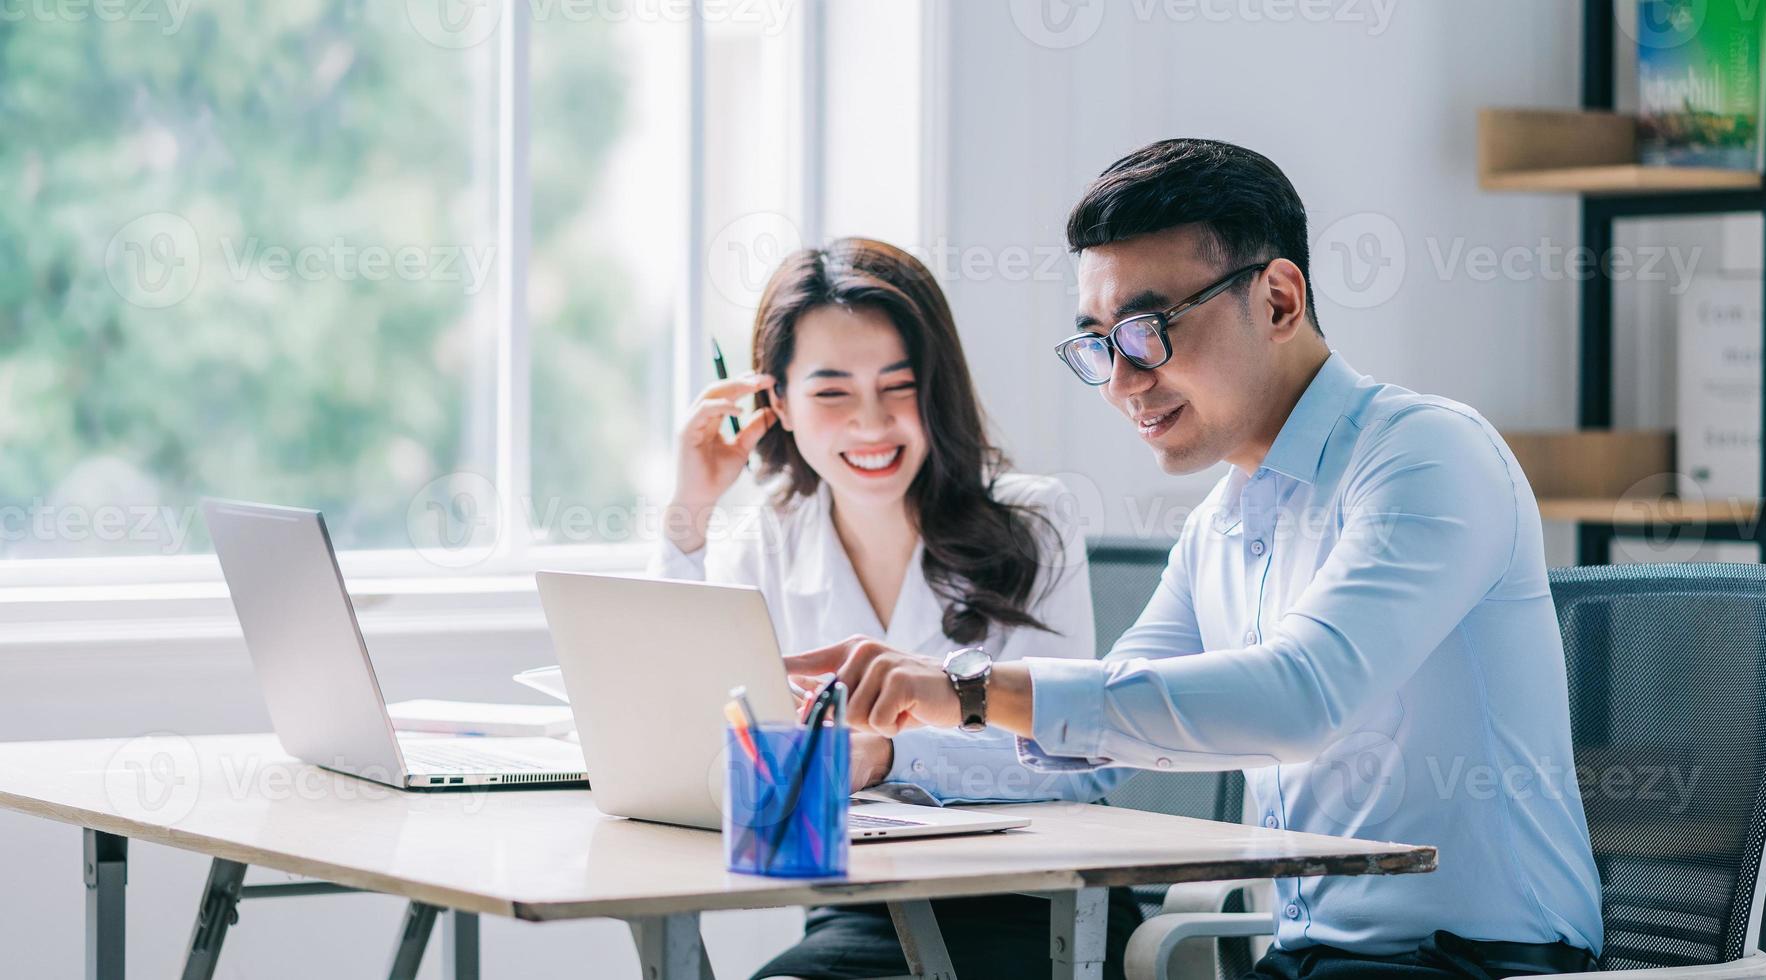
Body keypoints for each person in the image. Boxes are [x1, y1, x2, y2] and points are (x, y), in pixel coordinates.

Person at [783, 141, 1608, 979]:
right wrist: (916, 729)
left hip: (1478, 963)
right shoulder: (1223, 519)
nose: (1122, 382)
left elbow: (1301, 698)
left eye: (1147, 331)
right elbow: (1101, 733)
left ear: (1279, 299)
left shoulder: (1426, 454)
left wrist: (969, 688)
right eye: (1099, 344)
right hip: (1303, 960)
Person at [648, 237, 1140, 980]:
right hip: (861, 908)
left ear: (935, 387)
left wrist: (887, 754)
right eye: (833, 392)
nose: (872, 425)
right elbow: (680, 725)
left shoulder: (1033, 522)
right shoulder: (765, 544)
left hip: (1038, 906)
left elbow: (1077, 757)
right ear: (776, 403)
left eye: (898, 385)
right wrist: (690, 509)